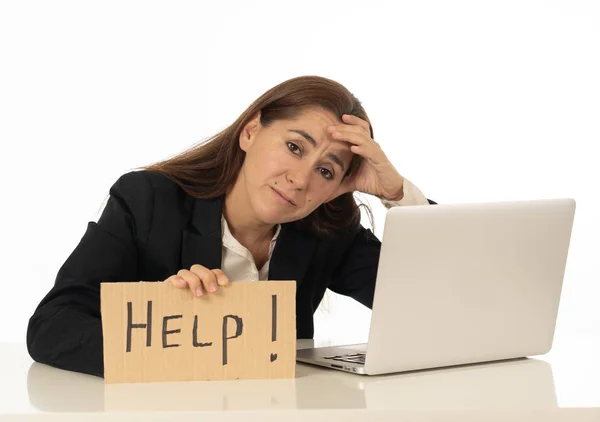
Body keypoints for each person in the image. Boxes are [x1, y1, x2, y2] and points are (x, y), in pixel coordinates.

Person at [26, 75, 435, 378]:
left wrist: (397, 192)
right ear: (251, 131)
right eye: (294, 147)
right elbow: (52, 326)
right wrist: (165, 329)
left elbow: (432, 302)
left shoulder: (328, 233)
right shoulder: (149, 201)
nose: (300, 179)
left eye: (326, 171)